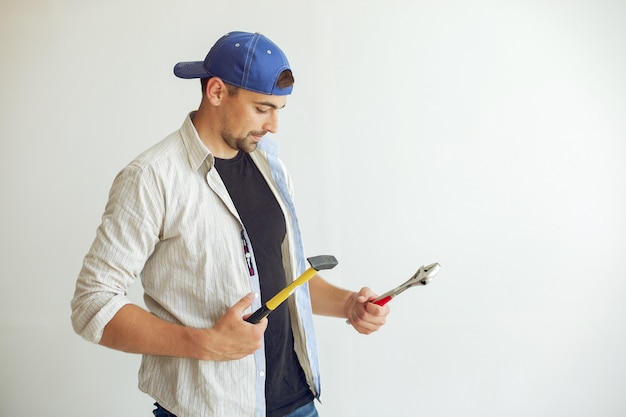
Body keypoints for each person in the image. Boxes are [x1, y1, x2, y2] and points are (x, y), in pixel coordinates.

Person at [71, 31, 389, 417]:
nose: (273, 126)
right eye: (262, 108)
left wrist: (347, 305)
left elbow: (281, 273)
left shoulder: (268, 162)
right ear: (217, 92)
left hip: (296, 402)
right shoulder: (152, 177)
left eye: (279, 110)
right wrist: (205, 343)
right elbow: (93, 304)